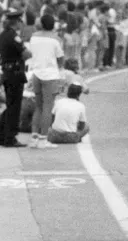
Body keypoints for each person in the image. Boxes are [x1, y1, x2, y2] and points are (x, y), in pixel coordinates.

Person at [29, 14, 65, 148]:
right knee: (47, 108)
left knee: (38, 106)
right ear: (53, 25)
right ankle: (43, 139)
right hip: (50, 75)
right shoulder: (56, 39)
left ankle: (33, 137)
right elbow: (60, 58)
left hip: (36, 73)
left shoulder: (34, 36)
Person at [0, 8, 32, 147]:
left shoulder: (3, 35)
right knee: (14, 107)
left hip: (7, 72)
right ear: (16, 22)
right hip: (15, 74)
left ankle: (3, 133)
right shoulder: (14, 36)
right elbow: (27, 54)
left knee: (9, 105)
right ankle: (10, 137)